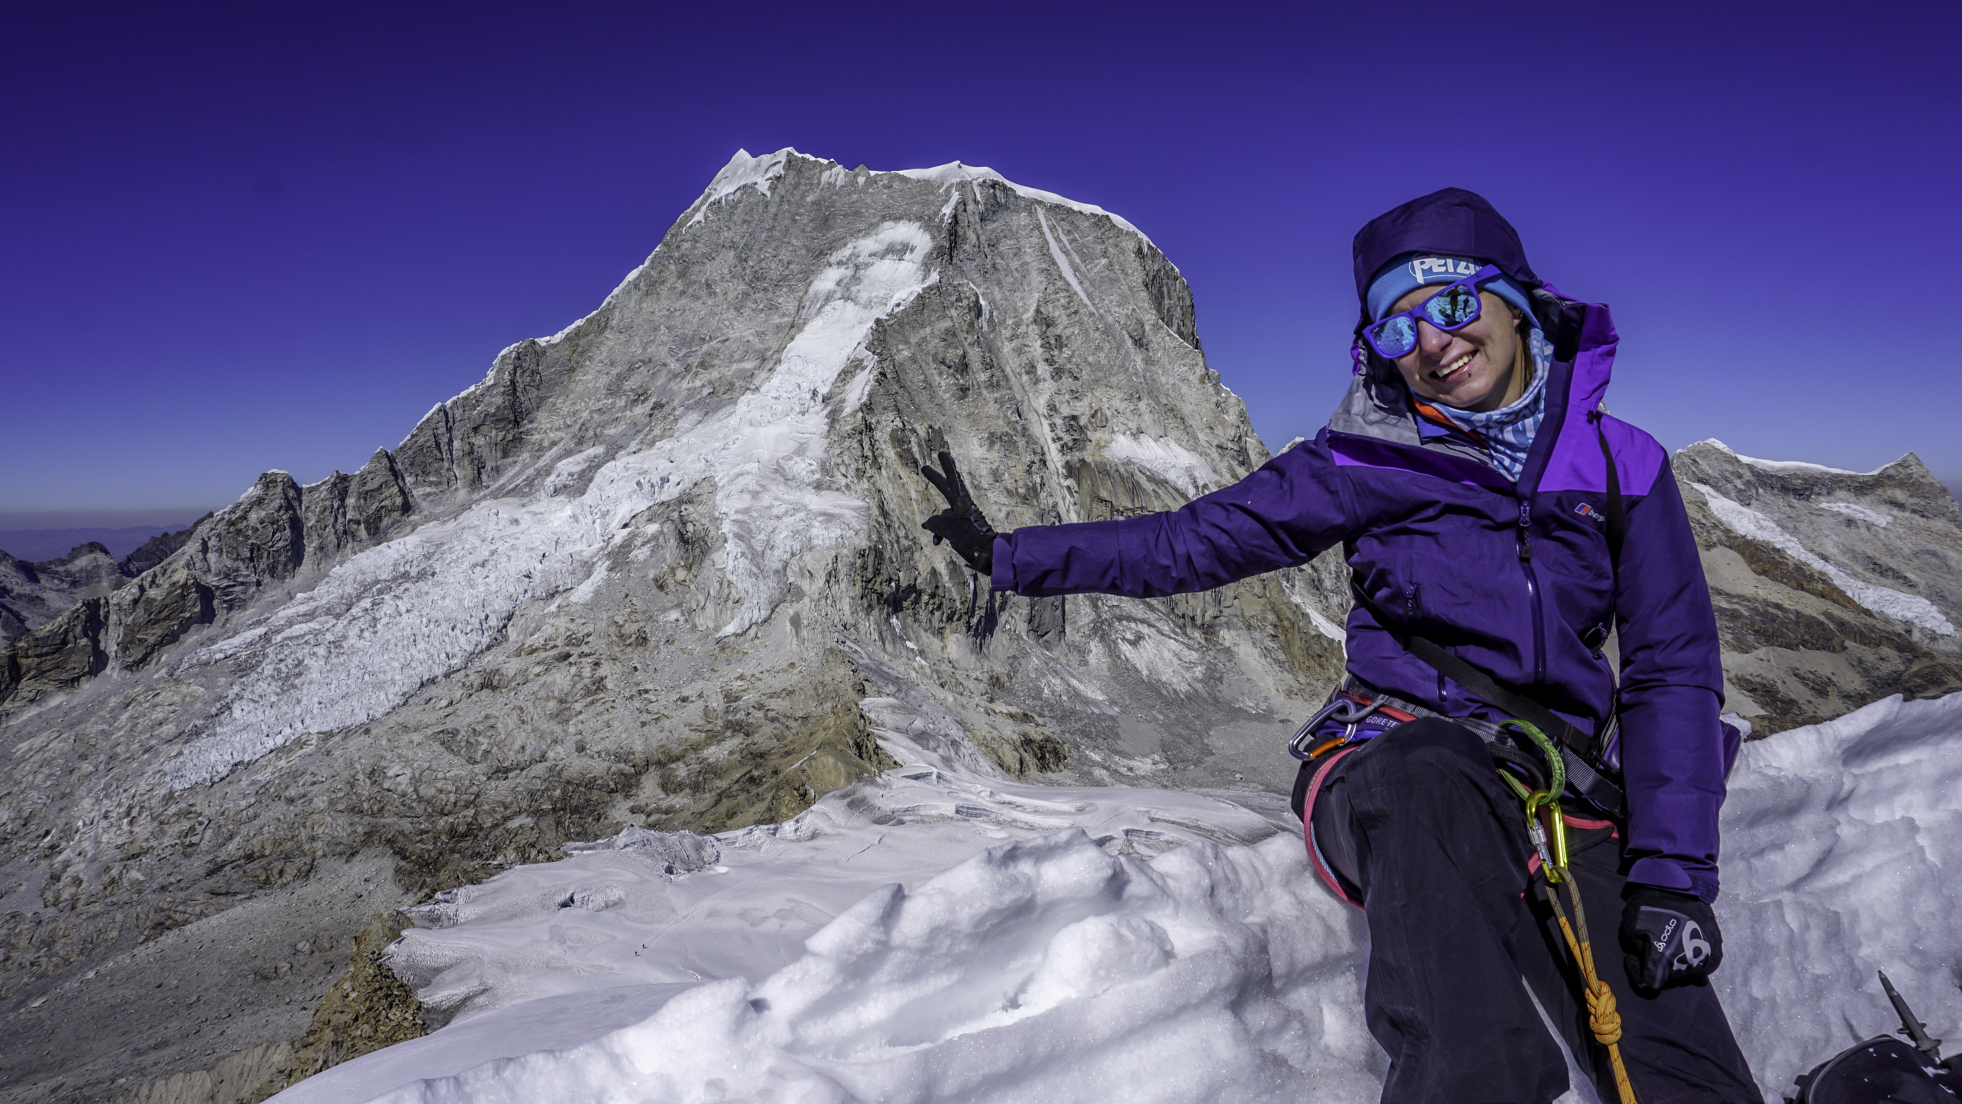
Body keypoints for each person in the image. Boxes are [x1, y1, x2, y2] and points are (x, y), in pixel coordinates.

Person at [920, 187, 1762, 1104]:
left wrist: (1674, 878)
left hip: (1561, 787)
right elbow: (1191, 541)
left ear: (1515, 302)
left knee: (1693, 1080)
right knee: (1431, 776)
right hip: (1393, 764)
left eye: (1448, 306)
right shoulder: (1361, 461)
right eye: (1397, 331)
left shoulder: (1619, 466)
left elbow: (1671, 669)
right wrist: (1011, 557)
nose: (1433, 346)